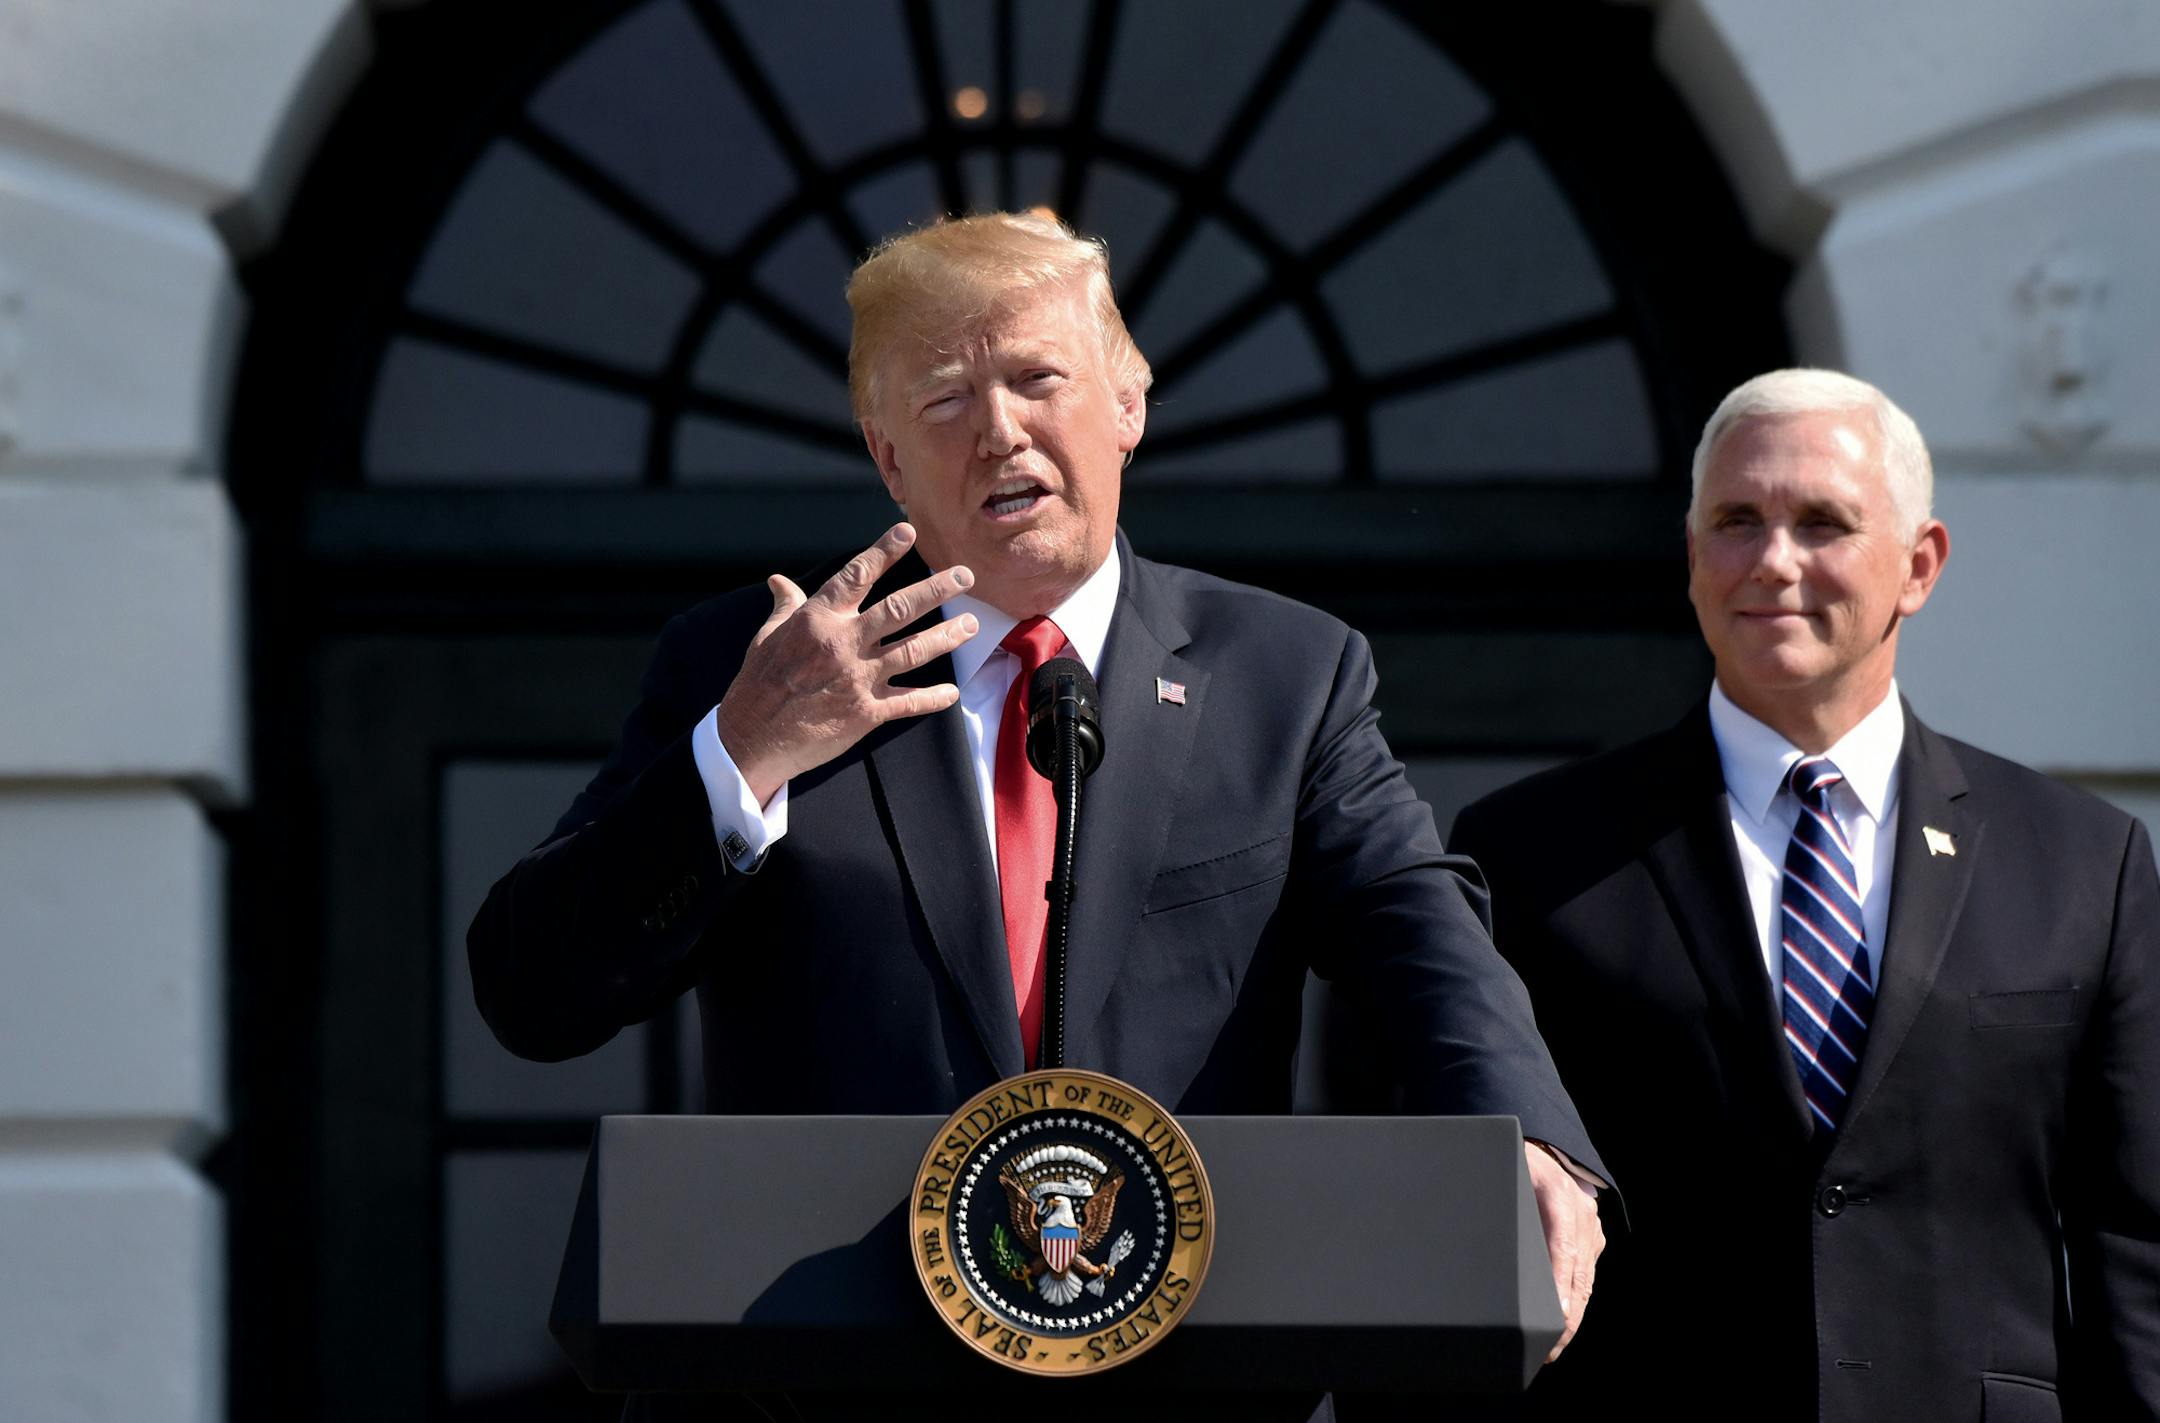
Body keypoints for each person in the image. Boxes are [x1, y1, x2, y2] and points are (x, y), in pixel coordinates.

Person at [466, 212, 1609, 1391]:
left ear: (1128, 403)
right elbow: (531, 989)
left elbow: (1414, 926)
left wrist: (1521, 1123)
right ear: (889, 456)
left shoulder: (1286, 675)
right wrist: (744, 751)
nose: (1000, 428)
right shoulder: (755, 669)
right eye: (947, 399)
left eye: (1036, 379)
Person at [1450, 368, 2160, 1421]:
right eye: (1737, 520)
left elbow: (2135, 1245)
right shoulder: (1532, 854)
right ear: (1692, 556)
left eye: (1822, 522)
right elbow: (1458, 1222)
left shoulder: (2080, 863)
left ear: (1920, 564)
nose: (1774, 562)